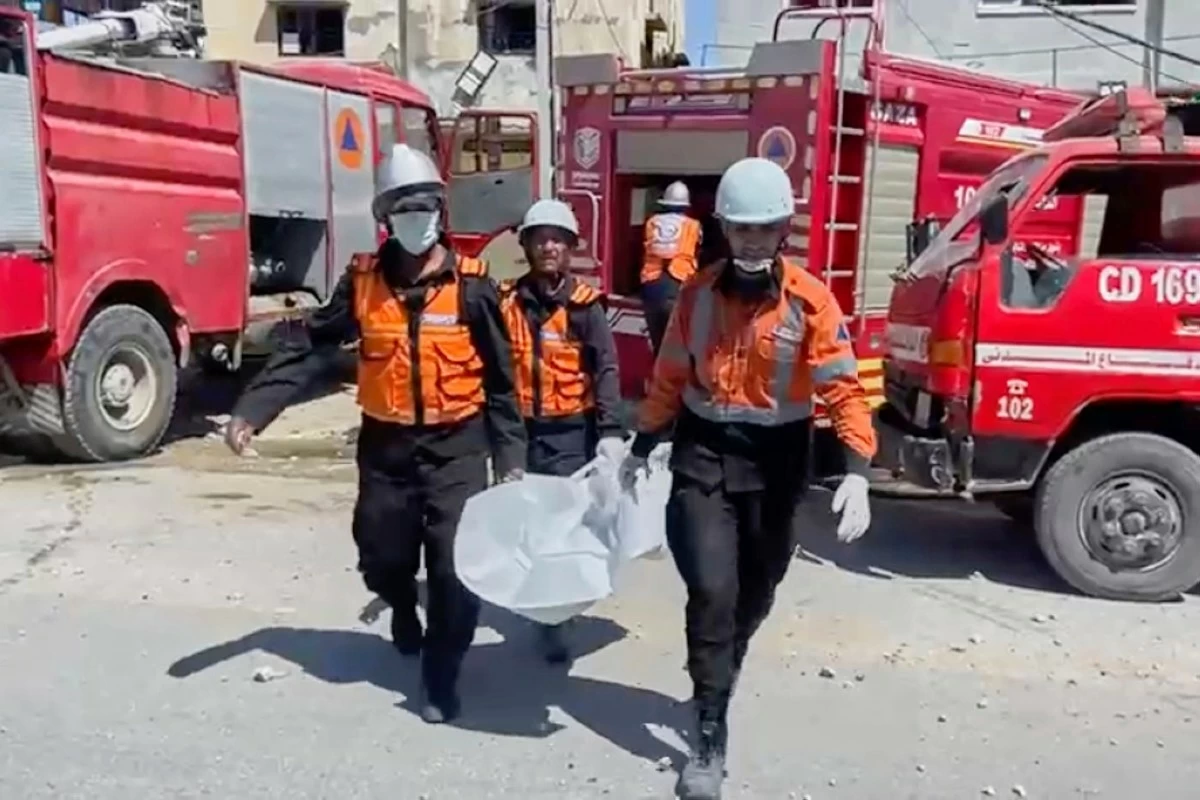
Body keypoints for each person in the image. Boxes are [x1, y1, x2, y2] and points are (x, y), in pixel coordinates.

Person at [223, 144, 526, 725]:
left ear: (441, 210)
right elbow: (309, 347)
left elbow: (503, 382)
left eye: (426, 206)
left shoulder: (475, 287)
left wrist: (510, 462)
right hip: (385, 449)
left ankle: (441, 676)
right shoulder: (361, 285)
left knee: (454, 569)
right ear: (386, 218)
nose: (418, 218)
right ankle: (398, 604)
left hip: (457, 448)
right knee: (381, 555)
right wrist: (253, 409)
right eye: (405, 208)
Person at [619, 157, 875, 800]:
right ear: (724, 231)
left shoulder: (811, 300)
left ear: (782, 229)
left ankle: (719, 665)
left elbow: (841, 387)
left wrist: (858, 471)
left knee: (754, 594)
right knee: (710, 588)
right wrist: (642, 442)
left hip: (779, 463)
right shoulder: (696, 295)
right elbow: (670, 375)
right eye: (741, 229)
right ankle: (709, 731)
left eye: (765, 228)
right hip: (703, 455)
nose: (753, 240)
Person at [499, 198, 625, 663]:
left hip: (572, 431)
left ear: (570, 247)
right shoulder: (506, 302)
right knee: (530, 524)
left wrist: (611, 432)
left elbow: (607, 369)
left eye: (558, 239)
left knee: (563, 528)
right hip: (521, 431)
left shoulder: (585, 307)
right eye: (540, 238)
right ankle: (541, 603)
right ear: (527, 245)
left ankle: (558, 617)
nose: (548, 246)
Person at [640, 181, 702, 356]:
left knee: (658, 346)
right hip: (677, 287)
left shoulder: (652, 223)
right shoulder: (693, 225)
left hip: (651, 287)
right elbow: (698, 252)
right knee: (677, 348)